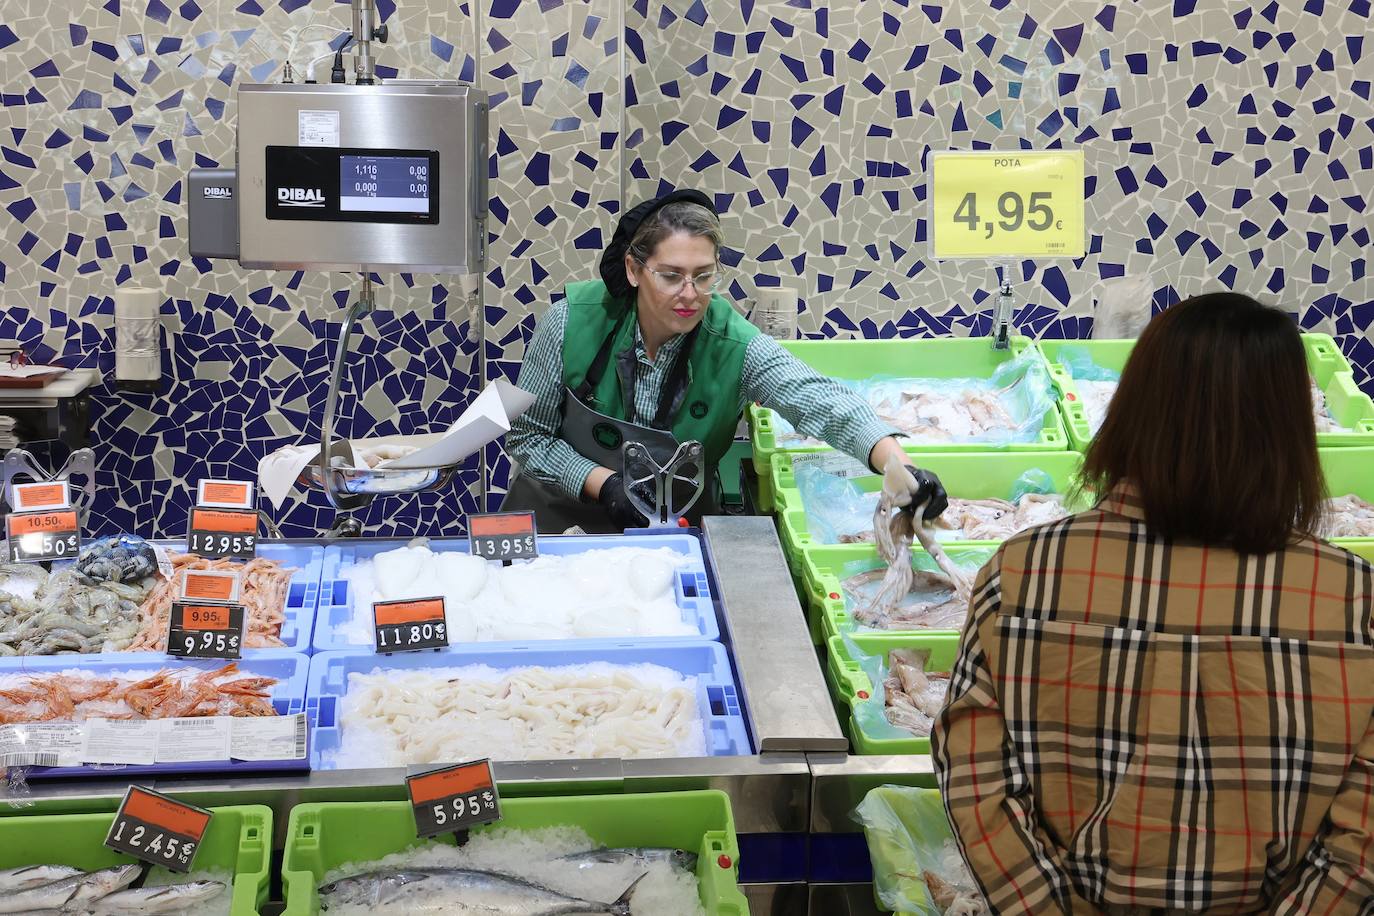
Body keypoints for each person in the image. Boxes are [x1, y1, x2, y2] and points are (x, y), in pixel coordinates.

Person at [932, 292, 1374, 914]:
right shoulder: (1351, 596)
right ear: (1291, 430)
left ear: (1133, 407)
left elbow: (974, 777)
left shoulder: (1025, 571)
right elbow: (1363, 837)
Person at [503, 188, 947, 532]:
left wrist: (898, 465)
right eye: (671, 276)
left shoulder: (732, 341)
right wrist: (604, 484)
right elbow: (527, 438)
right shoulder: (569, 322)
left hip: (671, 530)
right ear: (635, 271)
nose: (690, 294)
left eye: (703, 276)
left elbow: (816, 398)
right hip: (559, 527)